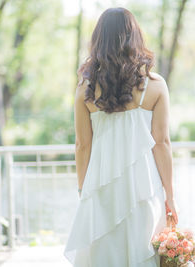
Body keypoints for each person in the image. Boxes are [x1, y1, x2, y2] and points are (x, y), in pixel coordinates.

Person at [63, 7, 179, 267]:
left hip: (100, 188)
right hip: (144, 188)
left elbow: (82, 145)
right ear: (135, 37)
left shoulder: (86, 90)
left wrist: (84, 190)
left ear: (98, 41)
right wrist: (170, 196)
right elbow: (162, 143)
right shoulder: (155, 85)